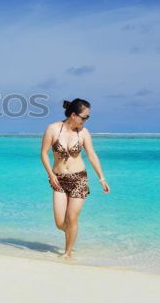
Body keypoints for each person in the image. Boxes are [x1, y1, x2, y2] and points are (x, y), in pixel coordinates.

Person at [40, 98, 110, 259]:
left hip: (79, 179)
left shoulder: (83, 133)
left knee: (72, 218)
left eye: (88, 118)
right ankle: (71, 232)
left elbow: (92, 155)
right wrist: (50, 174)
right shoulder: (53, 129)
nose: (86, 120)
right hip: (58, 179)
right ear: (73, 115)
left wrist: (102, 178)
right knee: (60, 223)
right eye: (84, 117)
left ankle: (67, 252)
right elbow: (43, 153)